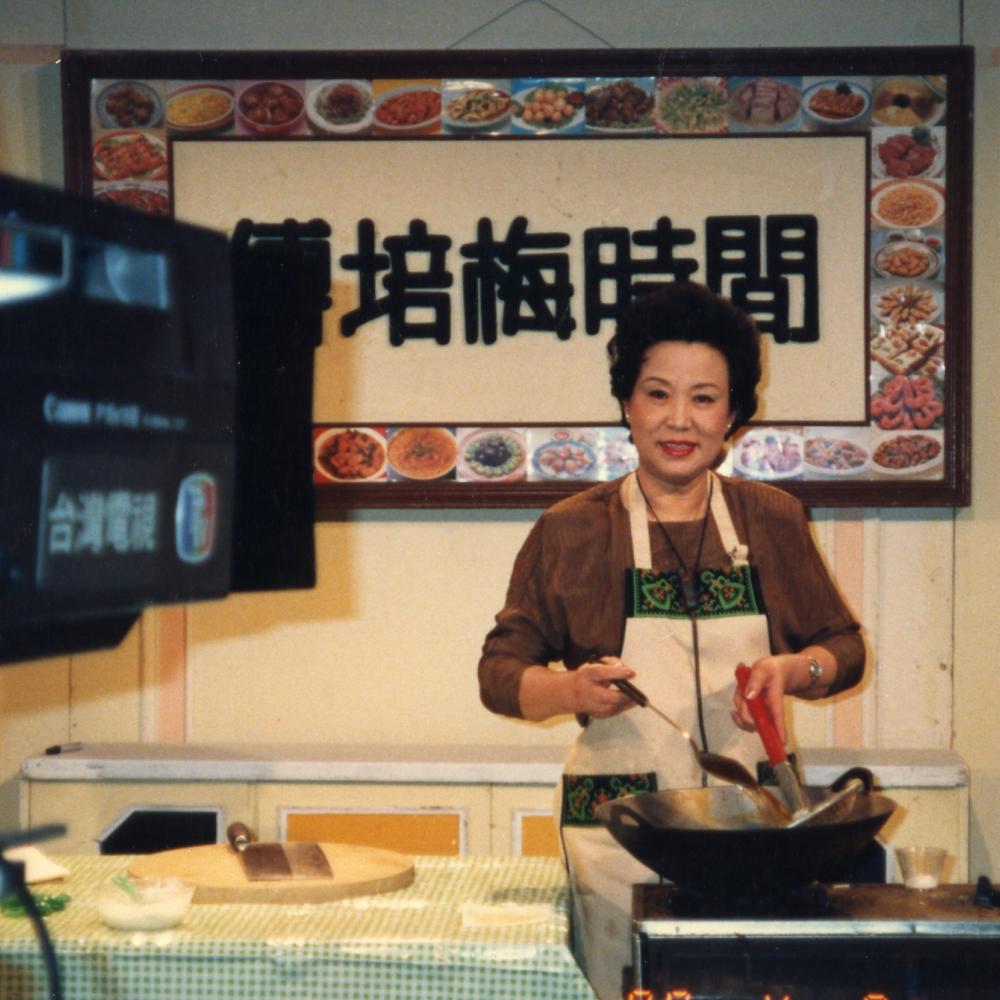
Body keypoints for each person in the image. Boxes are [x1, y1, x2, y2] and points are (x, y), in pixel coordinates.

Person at [478, 281, 865, 1000]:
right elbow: (499, 674)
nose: (679, 419)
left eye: (704, 398)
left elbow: (844, 647)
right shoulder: (572, 529)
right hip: (620, 840)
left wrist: (794, 670)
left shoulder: (772, 518)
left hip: (752, 835)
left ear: (734, 413)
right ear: (627, 403)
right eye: (657, 394)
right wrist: (569, 689)